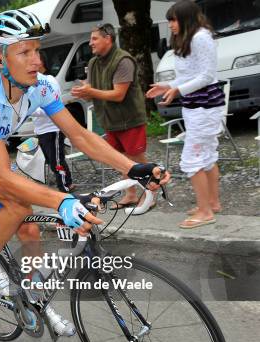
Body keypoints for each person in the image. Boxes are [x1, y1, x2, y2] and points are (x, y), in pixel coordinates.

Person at [0, 9, 168, 337]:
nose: (36, 59)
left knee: (29, 231)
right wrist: (62, 201)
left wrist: (134, 167)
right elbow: (2, 177)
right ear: (0, 60)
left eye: (37, 49)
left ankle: (34, 299)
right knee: (18, 205)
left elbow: (80, 136)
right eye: (25, 52)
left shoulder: (42, 86)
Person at [146, 0, 223, 229]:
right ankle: (212, 203)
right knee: (208, 156)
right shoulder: (191, 38)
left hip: (204, 107)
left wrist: (178, 90)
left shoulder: (200, 37)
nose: (170, 24)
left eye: (173, 20)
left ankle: (205, 212)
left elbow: (207, 76)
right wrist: (167, 85)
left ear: (186, 19)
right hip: (198, 106)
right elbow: (192, 75)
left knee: (192, 160)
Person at [71, 23, 151, 209]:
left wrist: (91, 91)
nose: (90, 43)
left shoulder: (123, 60)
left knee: (136, 158)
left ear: (108, 38)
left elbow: (118, 94)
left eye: (94, 38)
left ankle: (150, 193)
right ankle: (130, 194)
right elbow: (94, 92)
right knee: (119, 159)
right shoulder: (93, 62)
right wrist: (84, 92)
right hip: (110, 121)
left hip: (130, 119)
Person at [32, 52, 73, 192]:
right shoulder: (32, 82)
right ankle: (67, 182)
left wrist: (30, 111)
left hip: (53, 128)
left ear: (41, 62)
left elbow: (53, 107)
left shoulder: (50, 80)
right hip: (41, 130)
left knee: (57, 160)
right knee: (51, 161)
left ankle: (65, 187)